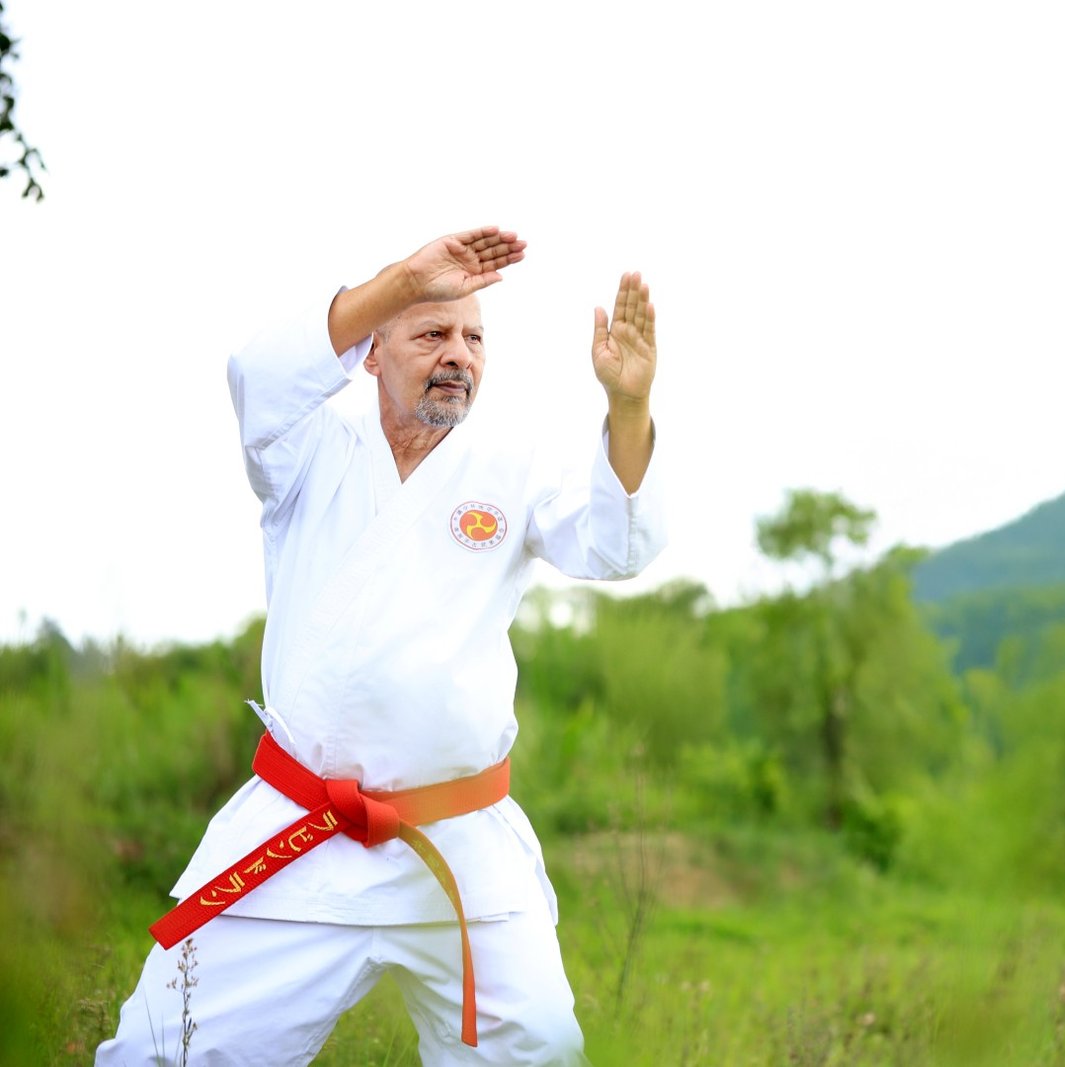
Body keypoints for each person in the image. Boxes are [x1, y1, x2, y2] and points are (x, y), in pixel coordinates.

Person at [96, 227, 665, 1065]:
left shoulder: (511, 467)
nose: (458, 355)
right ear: (370, 353)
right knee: (164, 1052)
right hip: (303, 834)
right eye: (431, 332)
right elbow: (256, 375)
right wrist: (399, 281)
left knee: (539, 1052)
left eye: (474, 338)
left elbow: (616, 546)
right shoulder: (307, 452)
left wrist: (627, 408)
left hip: (456, 843)